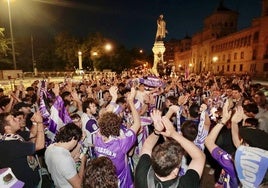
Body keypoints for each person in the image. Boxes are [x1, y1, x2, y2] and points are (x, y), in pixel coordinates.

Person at [135, 110, 205, 188]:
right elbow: (199, 157)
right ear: (175, 171)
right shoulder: (185, 184)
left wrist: (157, 131)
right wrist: (173, 134)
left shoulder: (142, 173)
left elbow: (147, 146)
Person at [94, 86, 141, 188]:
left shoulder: (97, 137)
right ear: (118, 126)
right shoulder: (121, 143)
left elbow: (104, 118)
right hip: (122, 184)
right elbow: (137, 123)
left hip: (102, 182)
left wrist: (113, 98)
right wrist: (131, 101)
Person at [0, 112, 45, 188]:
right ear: (7, 128)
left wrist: (34, 122)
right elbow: (40, 146)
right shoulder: (9, 145)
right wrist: (40, 123)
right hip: (25, 184)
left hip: (31, 178)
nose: (17, 119)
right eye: (13, 119)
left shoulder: (12, 136)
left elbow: (32, 133)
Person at [45, 123, 87, 188]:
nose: (75, 144)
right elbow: (79, 186)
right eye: (76, 141)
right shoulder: (65, 160)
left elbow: (60, 164)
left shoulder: (50, 148)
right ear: (73, 138)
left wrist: (72, 160)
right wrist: (83, 162)